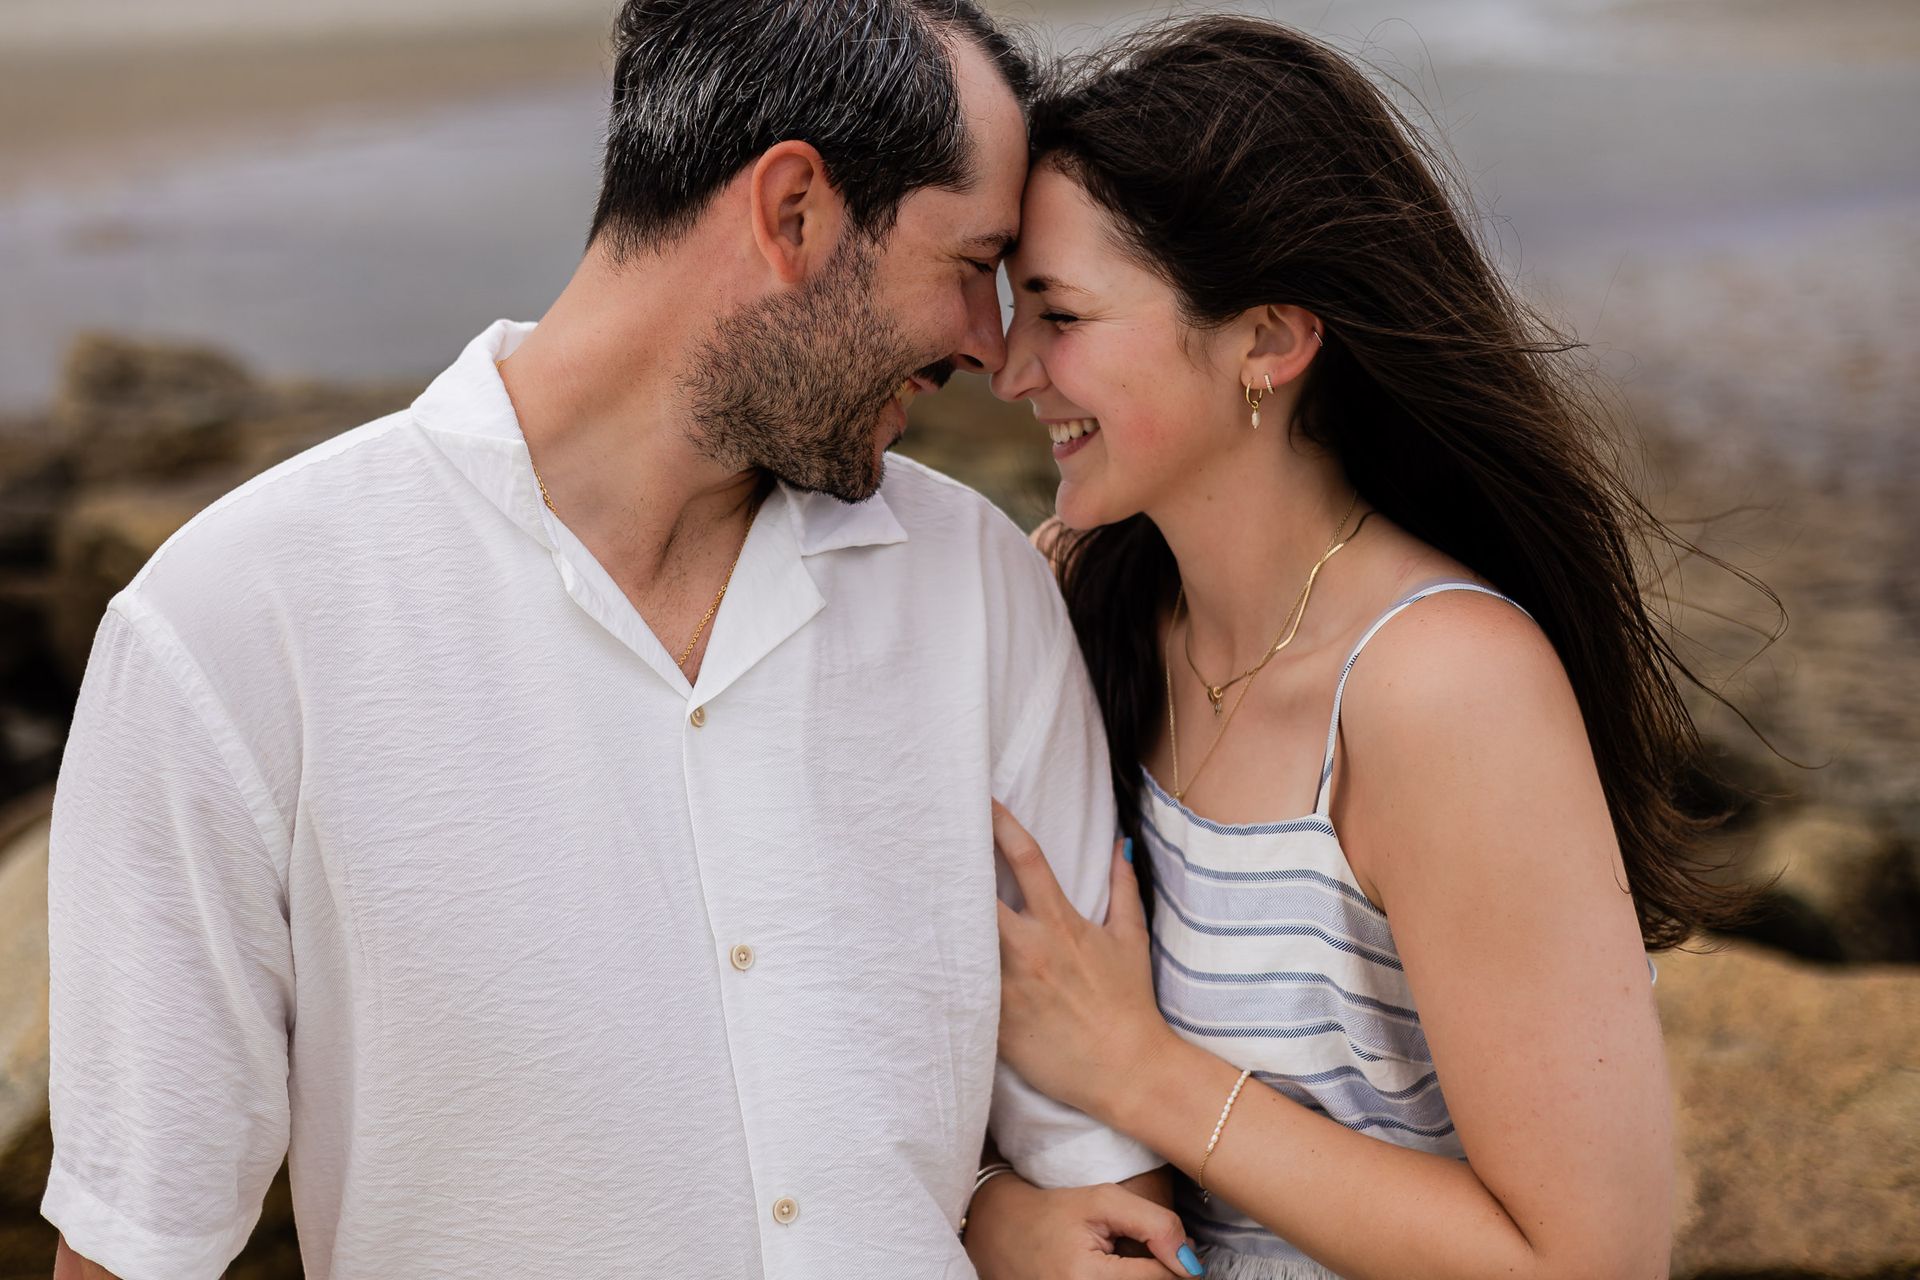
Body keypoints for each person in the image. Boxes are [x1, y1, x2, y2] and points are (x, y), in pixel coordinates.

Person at [42, 4, 1200, 1277]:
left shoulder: (980, 587)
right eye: (971, 262)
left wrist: (979, 1202)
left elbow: (1096, 1189)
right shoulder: (231, 625)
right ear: (793, 212)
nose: (993, 343)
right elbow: (138, 1243)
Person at [961, 16, 1752, 1280]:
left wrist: (1144, 1072)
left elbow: (1593, 1261)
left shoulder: (1444, 689)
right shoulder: (1071, 593)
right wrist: (996, 1210)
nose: (1009, 370)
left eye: (1058, 313)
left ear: (1269, 340)